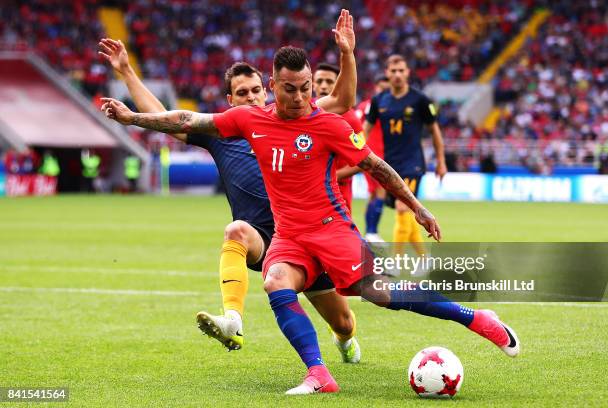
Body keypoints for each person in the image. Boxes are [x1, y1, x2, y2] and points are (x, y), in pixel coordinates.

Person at [102, 45, 520, 395]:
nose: (301, 96)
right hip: (288, 237)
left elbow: (375, 165)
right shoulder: (248, 121)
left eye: (305, 88)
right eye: (290, 88)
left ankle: (479, 320)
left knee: (380, 297)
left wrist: (418, 206)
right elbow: (186, 120)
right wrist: (131, 117)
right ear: (273, 86)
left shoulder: (327, 124)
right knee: (275, 281)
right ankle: (318, 373)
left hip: (331, 230)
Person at [98, 9, 361, 362]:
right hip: (266, 240)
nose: (251, 97)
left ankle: (344, 342)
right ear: (230, 102)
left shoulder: (301, 118)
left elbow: (342, 101)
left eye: (255, 90)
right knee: (235, 231)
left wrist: (347, 53)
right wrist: (128, 73)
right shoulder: (222, 134)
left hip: (311, 236)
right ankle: (233, 320)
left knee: (344, 322)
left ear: (267, 89)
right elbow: (167, 119)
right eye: (242, 93)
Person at [364, 54, 447, 259]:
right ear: (387, 73)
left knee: (403, 208)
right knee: (408, 212)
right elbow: (364, 131)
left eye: (401, 70)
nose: (398, 75)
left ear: (408, 72)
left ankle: (395, 262)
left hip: (412, 164)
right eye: (393, 71)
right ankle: (424, 259)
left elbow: (435, 131)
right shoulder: (378, 101)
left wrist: (441, 161)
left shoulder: (420, 100)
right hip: (389, 165)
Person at [312, 62, 363, 212]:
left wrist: (330, 177)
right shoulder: (302, 113)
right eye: (319, 81)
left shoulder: (351, 119)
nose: (323, 86)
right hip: (307, 193)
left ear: (338, 85)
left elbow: (362, 159)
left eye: (329, 82)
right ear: (313, 84)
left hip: (337, 193)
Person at [356, 74, 389, 242]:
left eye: (386, 89)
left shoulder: (390, 107)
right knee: (381, 190)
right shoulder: (368, 106)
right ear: (375, 88)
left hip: (385, 155)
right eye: (381, 88)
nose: (384, 91)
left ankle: (369, 232)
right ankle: (372, 231)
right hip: (372, 156)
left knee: (374, 193)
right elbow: (356, 126)